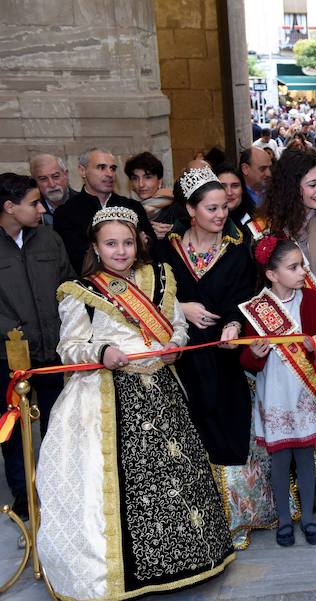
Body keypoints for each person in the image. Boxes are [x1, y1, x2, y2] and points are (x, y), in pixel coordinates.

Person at [36, 206, 234, 600]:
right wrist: (103, 351)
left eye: (127, 242)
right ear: (95, 246)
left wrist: (176, 345)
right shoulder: (82, 293)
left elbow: (176, 324)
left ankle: (193, 557)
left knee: (178, 474)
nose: (121, 251)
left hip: (160, 386)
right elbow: (69, 346)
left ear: (139, 241)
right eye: (111, 244)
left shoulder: (159, 278)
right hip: (108, 393)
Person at [256, 150, 316, 521]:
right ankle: (304, 483)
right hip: (288, 342)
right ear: (291, 187)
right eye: (311, 184)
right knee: (299, 411)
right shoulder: (273, 227)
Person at [239, 236, 316, 546]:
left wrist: (314, 346)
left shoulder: (311, 300)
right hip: (275, 394)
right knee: (280, 461)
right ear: (272, 274)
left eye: (302, 265)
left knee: (306, 456)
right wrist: (256, 353)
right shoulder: (256, 309)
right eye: (293, 267)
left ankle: (308, 518)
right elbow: (246, 360)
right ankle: (284, 520)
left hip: (302, 392)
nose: (302, 272)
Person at [161, 166, 256, 466]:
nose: (220, 215)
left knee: (228, 429)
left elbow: (242, 296)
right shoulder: (167, 249)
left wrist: (232, 324)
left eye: (225, 207)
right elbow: (152, 294)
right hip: (182, 360)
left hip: (223, 358)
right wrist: (182, 308)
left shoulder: (238, 250)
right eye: (212, 208)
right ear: (190, 208)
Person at [0, 174, 74, 520]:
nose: (41, 208)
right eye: (33, 202)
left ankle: (56, 490)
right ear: (9, 207)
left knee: (56, 423)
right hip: (8, 358)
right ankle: (25, 498)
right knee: (13, 432)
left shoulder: (49, 238)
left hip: (52, 352)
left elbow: (68, 287)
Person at [54, 148, 155, 270]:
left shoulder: (133, 207)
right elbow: (74, 259)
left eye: (112, 168)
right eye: (101, 167)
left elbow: (154, 251)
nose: (109, 174)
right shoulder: (66, 213)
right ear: (82, 171)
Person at [124, 151, 184, 240]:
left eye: (147, 177)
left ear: (160, 181)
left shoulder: (178, 207)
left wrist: (173, 233)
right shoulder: (129, 211)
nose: (141, 184)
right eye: (135, 178)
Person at [29, 154, 74, 226]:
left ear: (66, 175)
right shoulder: (31, 213)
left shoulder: (86, 204)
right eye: (43, 179)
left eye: (56, 176)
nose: (52, 184)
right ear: (34, 182)